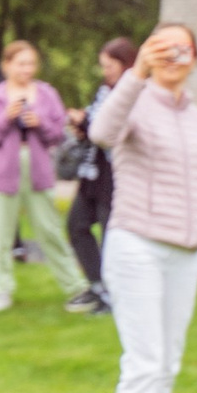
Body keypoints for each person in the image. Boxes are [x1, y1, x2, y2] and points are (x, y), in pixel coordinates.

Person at [89, 22, 197, 393]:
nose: (174, 56)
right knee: (143, 363)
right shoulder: (132, 103)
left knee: (167, 365)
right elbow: (101, 133)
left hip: (184, 251)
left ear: (194, 58)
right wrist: (135, 76)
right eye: (162, 48)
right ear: (147, 54)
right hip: (137, 245)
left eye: (182, 48)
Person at [0, 41, 87, 313]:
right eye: (21, 63)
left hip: (38, 170)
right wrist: (5, 118)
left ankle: (75, 287)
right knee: (1, 234)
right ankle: (1, 290)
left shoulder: (46, 94)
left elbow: (59, 134)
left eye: (31, 63)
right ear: (7, 65)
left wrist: (40, 122)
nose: (27, 69)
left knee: (50, 230)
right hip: (2, 172)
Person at [60, 38, 135, 316]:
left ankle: (115, 295)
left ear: (126, 65)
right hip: (93, 173)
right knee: (76, 226)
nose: (105, 72)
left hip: (116, 176)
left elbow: (114, 130)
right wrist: (81, 125)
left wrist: (87, 122)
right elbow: (96, 123)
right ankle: (98, 285)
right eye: (103, 66)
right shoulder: (104, 91)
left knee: (110, 237)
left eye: (110, 66)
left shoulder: (134, 95)